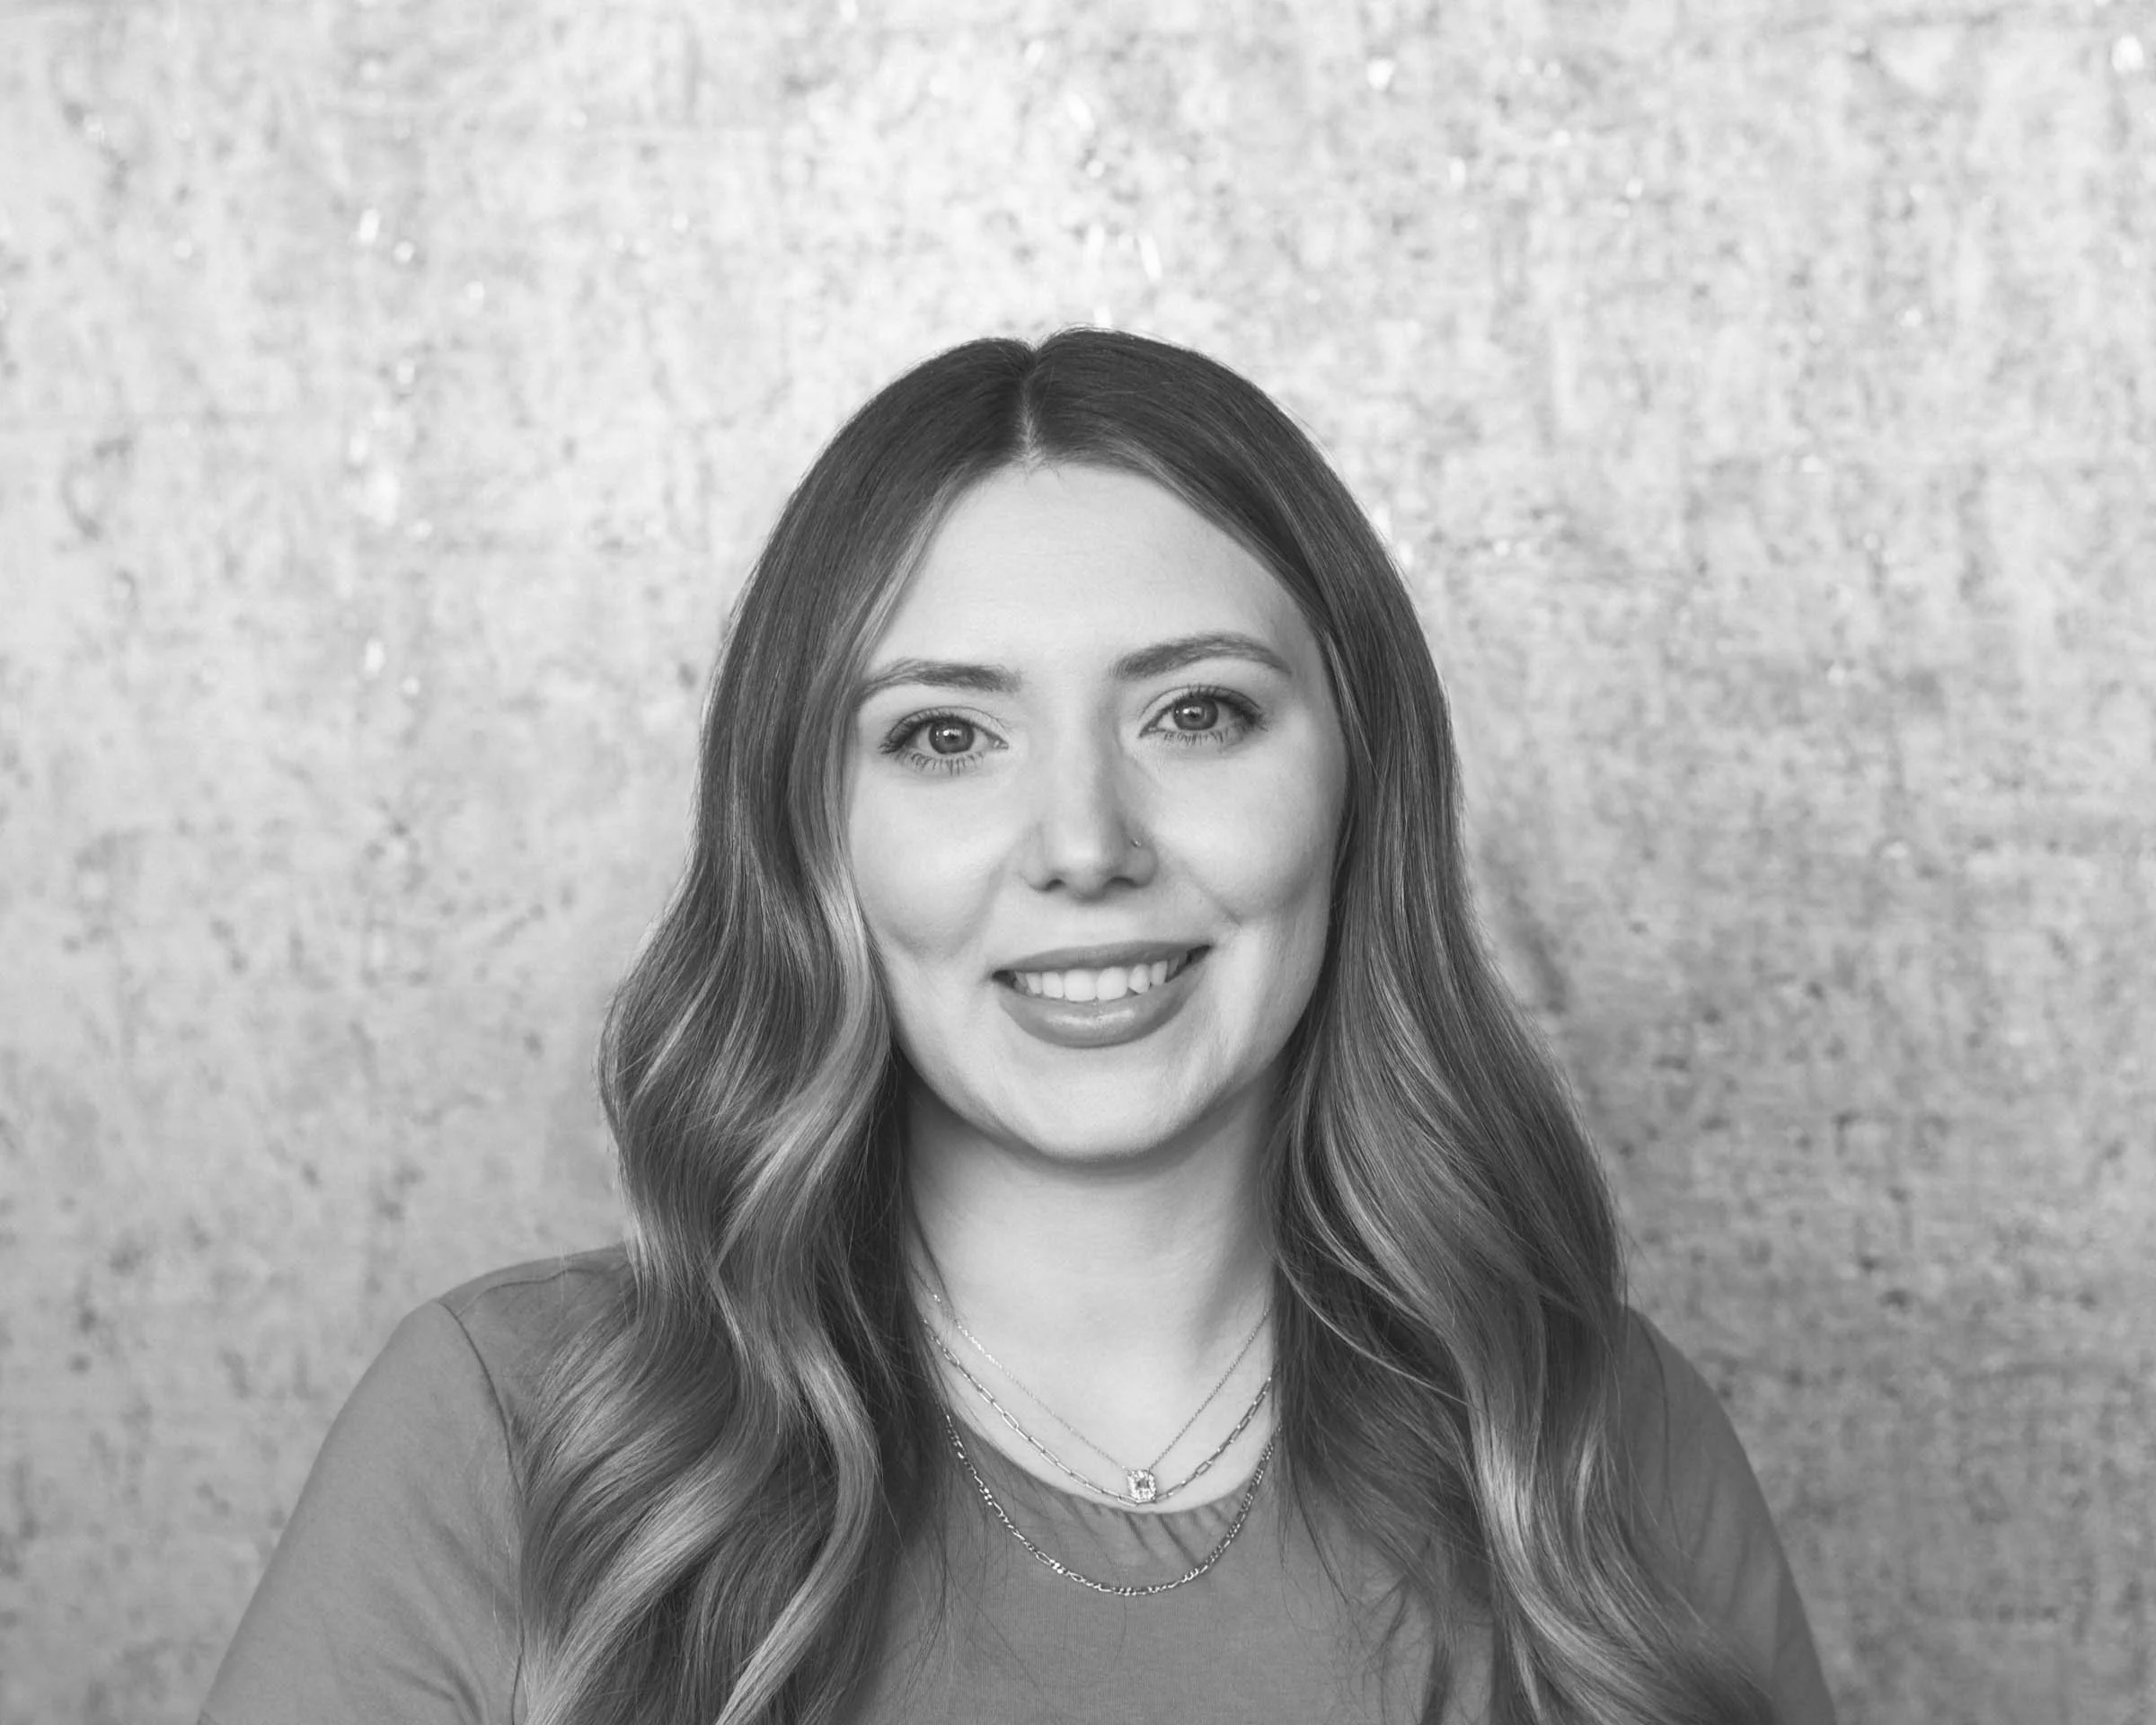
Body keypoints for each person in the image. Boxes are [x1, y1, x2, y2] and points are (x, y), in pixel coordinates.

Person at [199, 330, 1835, 1725]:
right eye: (944, 735)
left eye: (1195, 713)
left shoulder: (1587, 1446)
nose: (1082, 839)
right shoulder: (519, 1435)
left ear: (1360, 780)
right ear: (810, 829)